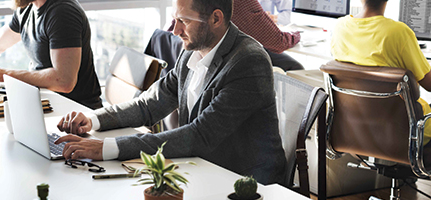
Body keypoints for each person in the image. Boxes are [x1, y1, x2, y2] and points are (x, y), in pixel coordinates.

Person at [54, 0, 287, 185]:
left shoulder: (248, 61)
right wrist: (94, 120)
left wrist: (108, 148)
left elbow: (200, 136)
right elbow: (149, 104)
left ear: (216, 18)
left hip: (245, 183)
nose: (175, 30)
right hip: (203, 169)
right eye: (175, 19)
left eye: (184, 20)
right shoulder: (191, 52)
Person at [330, 0, 431, 199]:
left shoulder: (339, 27)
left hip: (360, 128)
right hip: (410, 129)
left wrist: (419, 68)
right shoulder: (398, 32)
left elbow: (370, 68)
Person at [0, 0, 102, 109]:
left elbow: (64, 81)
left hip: (76, 112)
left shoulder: (62, 12)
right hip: (46, 103)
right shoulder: (26, 8)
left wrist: (4, 74)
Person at [231, 0, 304, 71]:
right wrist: (297, 34)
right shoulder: (243, 2)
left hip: (230, 48)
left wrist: (263, 19)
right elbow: (279, 43)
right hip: (236, 54)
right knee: (296, 68)